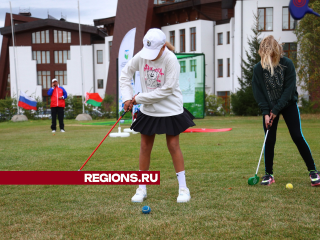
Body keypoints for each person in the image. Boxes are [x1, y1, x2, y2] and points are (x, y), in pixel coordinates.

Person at [120, 28, 195, 203]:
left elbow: (167, 90)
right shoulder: (142, 55)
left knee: (173, 145)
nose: (150, 56)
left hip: (170, 108)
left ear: (162, 47)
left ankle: (183, 189)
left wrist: (138, 98)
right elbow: (125, 75)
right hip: (149, 109)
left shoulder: (171, 59)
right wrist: (126, 97)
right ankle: (141, 188)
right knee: (145, 146)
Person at [252, 35, 320, 186]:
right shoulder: (258, 68)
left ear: (276, 53)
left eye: (270, 55)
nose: (267, 59)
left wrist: (275, 110)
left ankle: (313, 171)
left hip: (288, 104)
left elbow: (289, 91)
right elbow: (258, 92)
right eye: (265, 55)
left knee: (297, 136)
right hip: (269, 107)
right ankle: (269, 174)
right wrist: (265, 112)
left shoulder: (287, 64)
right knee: (269, 139)